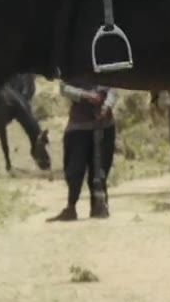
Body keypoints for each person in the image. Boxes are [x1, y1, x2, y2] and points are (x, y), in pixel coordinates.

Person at [48, 82, 119, 221]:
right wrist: (85, 95)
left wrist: (107, 105)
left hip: (104, 125)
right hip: (79, 127)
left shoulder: (105, 68)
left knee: (101, 169)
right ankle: (71, 207)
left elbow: (114, 87)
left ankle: (99, 205)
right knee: (74, 169)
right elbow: (64, 87)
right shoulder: (73, 69)